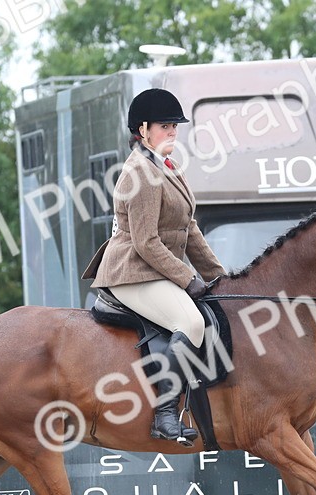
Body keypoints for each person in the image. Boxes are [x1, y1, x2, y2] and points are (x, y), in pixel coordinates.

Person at [82, 88, 227, 444]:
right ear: (143, 130)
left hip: (155, 269)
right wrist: (188, 278)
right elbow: (146, 242)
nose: (173, 132)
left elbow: (189, 230)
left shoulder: (168, 167)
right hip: (132, 272)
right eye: (165, 126)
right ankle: (164, 414)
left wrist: (220, 278)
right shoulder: (140, 173)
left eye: (175, 126)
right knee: (190, 322)